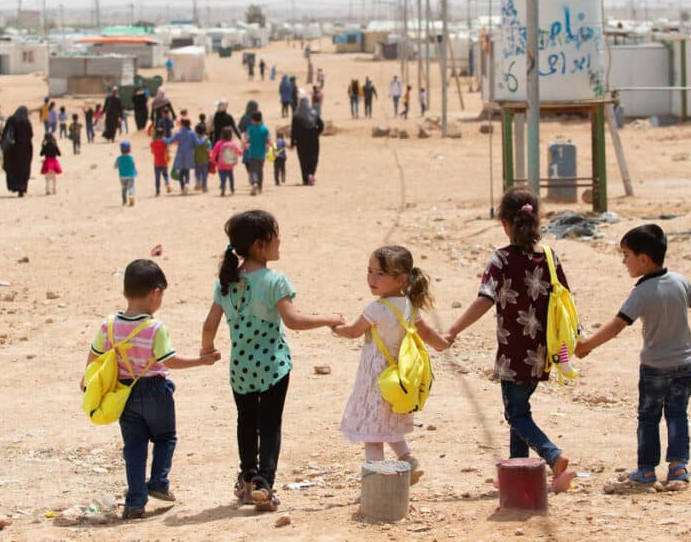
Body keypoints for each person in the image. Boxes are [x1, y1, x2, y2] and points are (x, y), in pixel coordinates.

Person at [200, 211, 344, 512]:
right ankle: (265, 482)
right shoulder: (275, 281)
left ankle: (247, 477)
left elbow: (209, 325)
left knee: (246, 421)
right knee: (269, 425)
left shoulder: (226, 282)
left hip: (240, 369)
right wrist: (329, 318)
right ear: (259, 244)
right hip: (273, 366)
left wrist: (207, 351)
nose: (280, 239)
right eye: (275, 234)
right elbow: (293, 321)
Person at [445, 188, 578, 494]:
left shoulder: (501, 259)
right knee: (521, 411)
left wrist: (453, 330)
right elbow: (566, 300)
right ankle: (519, 475)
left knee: (515, 414)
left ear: (504, 222)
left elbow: (485, 299)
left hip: (513, 353)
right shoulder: (549, 256)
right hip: (542, 351)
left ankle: (553, 456)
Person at [82, 259, 220, 520]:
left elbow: (94, 354)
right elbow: (170, 361)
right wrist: (202, 361)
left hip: (124, 394)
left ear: (125, 292)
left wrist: (87, 380)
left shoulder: (109, 326)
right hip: (156, 391)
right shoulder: (155, 328)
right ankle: (158, 482)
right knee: (166, 437)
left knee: (133, 448)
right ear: (156, 293)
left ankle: (134, 502)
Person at [575, 224, 691, 486]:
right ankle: (678, 467)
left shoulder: (642, 292)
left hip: (654, 367)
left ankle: (647, 470)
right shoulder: (680, 281)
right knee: (677, 414)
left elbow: (617, 326)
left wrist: (586, 345)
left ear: (643, 259)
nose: (623, 261)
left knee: (649, 416)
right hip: (684, 364)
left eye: (626, 255)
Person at [334, 246, 449, 481]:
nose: (371, 279)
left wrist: (334, 326)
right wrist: (442, 343)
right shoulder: (409, 305)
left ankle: (376, 480)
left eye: (380, 274)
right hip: (399, 380)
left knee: (373, 433)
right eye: (370, 272)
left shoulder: (376, 308)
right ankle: (408, 459)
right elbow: (426, 331)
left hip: (376, 381)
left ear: (401, 279)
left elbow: (354, 331)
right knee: (390, 423)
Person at [164, 118, 204, 195]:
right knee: (187, 170)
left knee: (181, 172)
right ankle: (187, 184)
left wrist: (162, 138)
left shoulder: (178, 133)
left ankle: (183, 188)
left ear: (182, 124)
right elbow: (198, 143)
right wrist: (203, 138)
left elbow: (170, 141)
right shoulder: (192, 133)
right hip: (189, 154)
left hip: (180, 154)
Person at [1, 105, 34, 197]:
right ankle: (22, 189)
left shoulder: (12, 120)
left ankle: (14, 186)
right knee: (24, 169)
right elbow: (31, 135)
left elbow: (6, 134)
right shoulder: (27, 122)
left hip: (13, 151)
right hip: (25, 150)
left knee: (13, 169)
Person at [290, 97, 323, 186]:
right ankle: (311, 175)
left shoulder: (296, 115)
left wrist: (292, 142)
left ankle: (305, 179)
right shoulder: (314, 113)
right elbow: (321, 125)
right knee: (313, 158)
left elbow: (294, 130)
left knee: (303, 160)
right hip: (313, 140)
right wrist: (316, 133)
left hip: (301, 141)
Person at [244, 110, 271, 196]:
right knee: (260, 170)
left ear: (252, 120)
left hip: (252, 153)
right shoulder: (265, 129)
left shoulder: (250, 129)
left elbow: (247, 139)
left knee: (253, 170)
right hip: (262, 154)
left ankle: (254, 182)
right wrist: (267, 148)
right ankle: (260, 187)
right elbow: (268, 141)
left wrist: (245, 145)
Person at [211, 126, 241, 196]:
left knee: (222, 178)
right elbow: (239, 152)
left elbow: (214, 152)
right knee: (231, 177)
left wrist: (212, 160)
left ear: (221, 135)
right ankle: (232, 188)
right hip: (230, 165)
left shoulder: (219, 143)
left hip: (221, 165)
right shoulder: (233, 143)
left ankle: (223, 188)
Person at [115, 140, 138, 206]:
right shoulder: (131, 157)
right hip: (130, 175)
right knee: (131, 187)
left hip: (122, 176)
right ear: (129, 149)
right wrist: (135, 171)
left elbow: (115, 166)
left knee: (124, 188)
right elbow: (133, 164)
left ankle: (124, 201)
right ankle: (131, 195)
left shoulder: (119, 158)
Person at [150, 129, 171, 196]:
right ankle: (167, 184)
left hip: (156, 163)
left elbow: (152, 152)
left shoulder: (153, 143)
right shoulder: (164, 142)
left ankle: (157, 191)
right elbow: (167, 150)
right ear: (163, 134)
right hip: (164, 162)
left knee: (157, 177)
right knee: (165, 175)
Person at [193, 123, 211, 193]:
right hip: (205, 160)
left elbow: (193, 149)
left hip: (197, 159)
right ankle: (205, 187)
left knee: (197, 173)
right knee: (204, 174)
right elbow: (209, 150)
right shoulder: (208, 141)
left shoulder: (195, 140)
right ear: (204, 131)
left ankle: (198, 181)